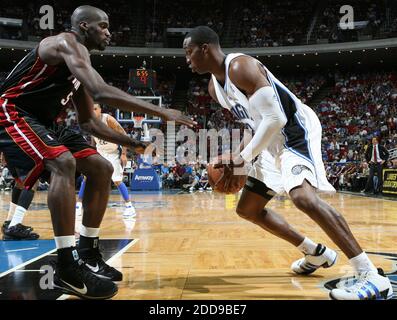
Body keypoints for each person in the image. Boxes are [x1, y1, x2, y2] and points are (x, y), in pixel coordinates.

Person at [183, 26, 392, 300]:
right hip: (270, 140)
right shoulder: (215, 87)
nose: (186, 59)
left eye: (189, 52)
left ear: (205, 48)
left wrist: (241, 159)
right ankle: (315, 253)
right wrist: (238, 157)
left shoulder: (240, 67)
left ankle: (371, 275)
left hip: (295, 130)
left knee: (302, 198)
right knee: (248, 209)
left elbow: (276, 120)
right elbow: (252, 124)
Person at [0, 5, 194, 300]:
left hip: (44, 121)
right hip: (11, 111)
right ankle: (66, 267)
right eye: (103, 26)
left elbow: (89, 122)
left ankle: (87, 252)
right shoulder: (66, 43)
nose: (108, 32)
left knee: (101, 168)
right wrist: (161, 110)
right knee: (62, 162)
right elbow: (102, 92)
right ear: (84, 26)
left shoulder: (78, 64)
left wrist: (135, 144)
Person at [76, 103, 136, 226]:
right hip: (100, 152)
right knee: (87, 177)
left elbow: (123, 134)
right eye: (91, 109)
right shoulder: (90, 122)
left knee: (117, 180)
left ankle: (129, 207)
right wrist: (90, 153)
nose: (93, 111)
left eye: (95, 109)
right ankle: (78, 206)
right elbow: (94, 139)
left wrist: (124, 153)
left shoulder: (108, 119)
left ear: (100, 109)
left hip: (113, 153)